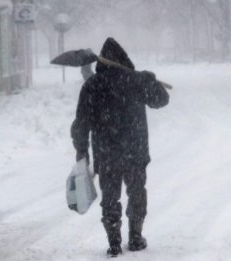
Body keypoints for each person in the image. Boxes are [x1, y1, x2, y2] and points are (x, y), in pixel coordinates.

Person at [71, 37, 169, 257]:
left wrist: (82, 151)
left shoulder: (92, 85)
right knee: (136, 192)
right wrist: (150, 80)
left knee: (110, 196)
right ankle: (135, 237)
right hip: (135, 150)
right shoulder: (135, 80)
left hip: (106, 152)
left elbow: (81, 124)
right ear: (124, 58)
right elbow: (162, 100)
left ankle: (114, 241)